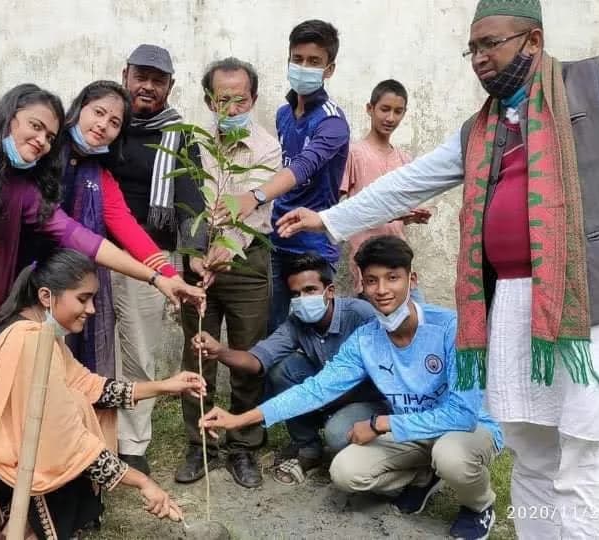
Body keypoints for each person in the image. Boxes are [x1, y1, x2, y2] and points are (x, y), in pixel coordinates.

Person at [275, 1, 599, 537]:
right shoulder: (481, 128)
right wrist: (330, 220)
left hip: (591, 304)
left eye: (491, 43)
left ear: (533, 41)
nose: (479, 58)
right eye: (473, 47)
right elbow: (412, 181)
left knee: (588, 459)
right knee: (531, 451)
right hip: (513, 305)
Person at [0, 83, 205, 429]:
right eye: (36, 127)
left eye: (114, 123)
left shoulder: (44, 184)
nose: (41, 141)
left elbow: (91, 238)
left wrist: (163, 277)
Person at [201, 236, 503, 540]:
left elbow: (462, 414)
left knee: (451, 455)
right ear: (362, 284)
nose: (382, 290)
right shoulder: (365, 339)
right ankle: (424, 475)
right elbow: (315, 389)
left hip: (466, 429)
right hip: (411, 431)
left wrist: (381, 423)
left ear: (412, 279)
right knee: (346, 473)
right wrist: (240, 419)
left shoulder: (453, 328)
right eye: (372, 280)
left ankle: (479, 506)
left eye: (393, 278)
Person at [0, 249, 202, 539]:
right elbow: (66, 439)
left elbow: (91, 388)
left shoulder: (34, 329)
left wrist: (165, 385)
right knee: (61, 447)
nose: (92, 309)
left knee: (77, 411)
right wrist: (143, 483)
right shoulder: (28, 341)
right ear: (46, 296)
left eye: (93, 299)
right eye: (83, 299)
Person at [175, 57, 281, 489]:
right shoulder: (193, 145)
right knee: (196, 352)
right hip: (198, 263)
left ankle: (242, 446)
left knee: (245, 353)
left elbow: (255, 212)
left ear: (253, 99)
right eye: (224, 100)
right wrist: (193, 253)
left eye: (241, 100)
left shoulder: (267, 148)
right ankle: (199, 445)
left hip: (245, 260)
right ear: (208, 101)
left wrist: (223, 250)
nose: (233, 108)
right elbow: (184, 203)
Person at [192, 253, 388, 486]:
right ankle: (308, 448)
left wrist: (328, 400)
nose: (302, 299)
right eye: (295, 294)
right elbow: (257, 360)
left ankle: (380, 448)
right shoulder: (296, 322)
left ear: (330, 291)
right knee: (281, 369)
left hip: (368, 398)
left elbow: (381, 374)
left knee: (336, 435)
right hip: (324, 391)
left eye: (310, 290)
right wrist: (219, 351)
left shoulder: (360, 315)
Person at [103, 44, 207, 473]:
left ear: (170, 86)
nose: (147, 86)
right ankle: (91, 436)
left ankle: (132, 445)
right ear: (125, 74)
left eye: (157, 80)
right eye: (140, 76)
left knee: (139, 352)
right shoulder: (105, 123)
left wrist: (194, 256)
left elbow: (191, 198)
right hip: (94, 252)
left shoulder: (178, 134)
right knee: (88, 349)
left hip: (150, 261)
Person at [48, 80, 183, 380]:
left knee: (64, 367)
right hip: (26, 275)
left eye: (114, 123)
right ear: (80, 107)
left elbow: (123, 223)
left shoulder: (97, 173)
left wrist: (169, 276)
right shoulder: (45, 150)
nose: (102, 125)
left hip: (70, 280)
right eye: (98, 112)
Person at [224, 20, 351, 333]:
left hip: (313, 245)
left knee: (313, 334)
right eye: (297, 59)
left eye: (313, 62)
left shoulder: (332, 123)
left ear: (329, 69)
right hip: (276, 240)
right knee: (275, 333)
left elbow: (302, 167)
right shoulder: (283, 114)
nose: (303, 67)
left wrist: (254, 197)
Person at [339, 79, 430, 294]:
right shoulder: (353, 154)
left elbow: (399, 212)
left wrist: (411, 217)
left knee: (414, 318)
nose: (390, 118)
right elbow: (342, 209)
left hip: (399, 258)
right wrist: (388, 213)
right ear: (370, 109)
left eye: (398, 112)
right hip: (367, 259)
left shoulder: (404, 159)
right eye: (384, 109)